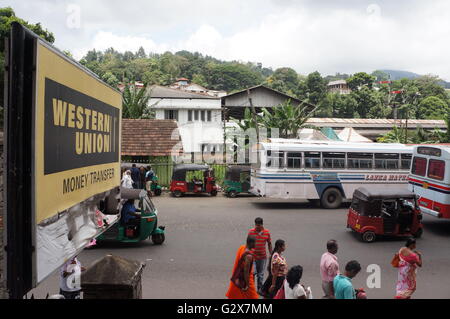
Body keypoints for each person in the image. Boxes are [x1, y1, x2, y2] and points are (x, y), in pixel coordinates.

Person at [248, 217, 272, 294]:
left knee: (260, 274)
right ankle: (252, 289)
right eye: (256, 225)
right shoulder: (251, 232)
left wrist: (271, 253)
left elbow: (269, 243)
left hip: (262, 257)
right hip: (253, 256)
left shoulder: (267, 232)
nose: (257, 227)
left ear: (261, 225)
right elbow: (248, 243)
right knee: (253, 273)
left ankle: (259, 289)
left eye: (259, 225)